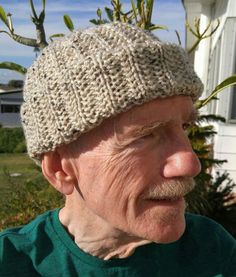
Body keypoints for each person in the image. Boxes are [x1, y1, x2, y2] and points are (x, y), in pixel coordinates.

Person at [0, 22, 235, 277]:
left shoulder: (212, 251)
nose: (190, 164)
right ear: (59, 168)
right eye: (146, 134)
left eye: (186, 126)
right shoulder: (11, 263)